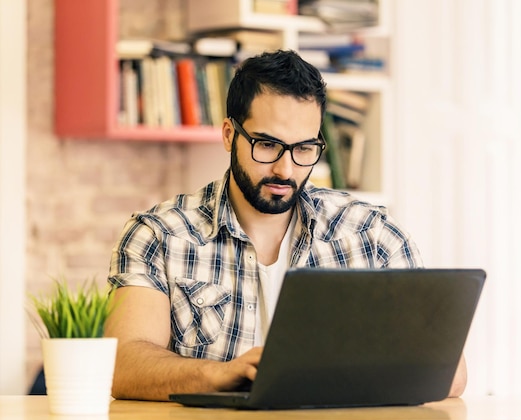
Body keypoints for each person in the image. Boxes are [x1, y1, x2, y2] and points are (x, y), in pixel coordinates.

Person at [104, 49, 467, 401]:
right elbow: (123, 366)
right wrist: (220, 374)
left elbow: (450, 373)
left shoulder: (373, 236)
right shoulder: (159, 235)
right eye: (267, 145)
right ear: (230, 135)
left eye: (304, 148)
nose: (286, 170)